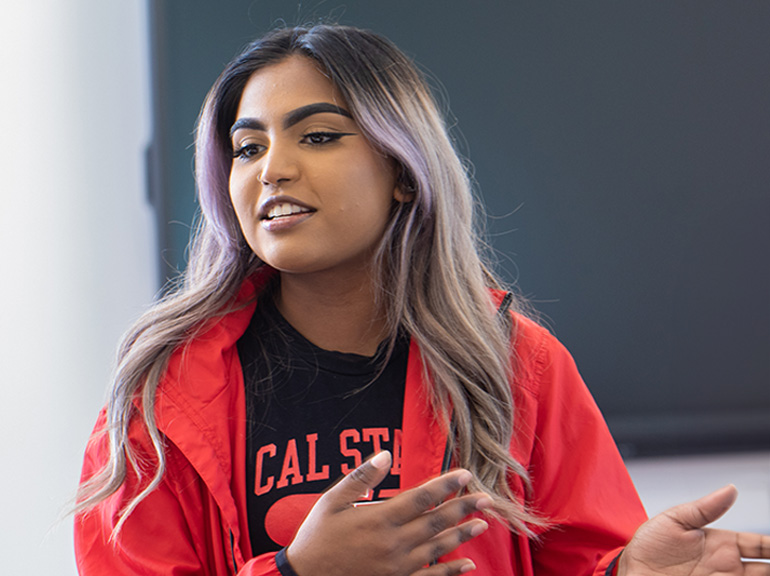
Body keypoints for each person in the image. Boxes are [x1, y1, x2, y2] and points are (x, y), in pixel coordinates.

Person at [73, 24, 769, 576]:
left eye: (318, 136)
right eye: (247, 148)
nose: (273, 170)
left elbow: (579, 562)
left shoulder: (518, 364)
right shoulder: (161, 392)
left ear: (403, 170)